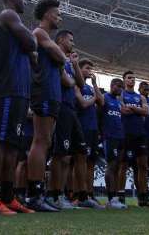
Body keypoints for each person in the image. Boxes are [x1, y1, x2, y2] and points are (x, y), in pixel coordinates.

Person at [0, 0, 36, 215]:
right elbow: (32, 44)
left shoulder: (14, 21)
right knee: (0, 141)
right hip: (8, 89)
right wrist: (29, 46)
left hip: (20, 91)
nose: (26, 1)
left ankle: (7, 196)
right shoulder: (8, 14)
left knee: (12, 145)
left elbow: (32, 55)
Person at [26, 0, 66, 212]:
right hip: (43, 92)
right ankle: (34, 194)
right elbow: (61, 58)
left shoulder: (45, 36)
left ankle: (37, 192)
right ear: (48, 14)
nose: (60, 17)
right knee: (40, 140)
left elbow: (61, 61)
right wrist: (61, 57)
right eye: (57, 13)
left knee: (45, 141)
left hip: (51, 93)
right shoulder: (39, 33)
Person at [47, 31, 85, 210]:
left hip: (70, 109)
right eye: (70, 40)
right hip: (60, 106)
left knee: (68, 155)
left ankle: (59, 194)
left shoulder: (69, 62)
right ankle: (55, 195)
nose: (73, 43)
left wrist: (76, 64)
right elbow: (68, 83)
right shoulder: (57, 56)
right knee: (59, 154)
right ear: (61, 40)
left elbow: (80, 84)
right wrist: (71, 79)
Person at [117, 71, 149, 207]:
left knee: (143, 165)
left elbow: (146, 112)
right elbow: (123, 110)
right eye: (129, 78)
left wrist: (131, 107)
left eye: (133, 78)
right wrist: (136, 109)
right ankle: (120, 196)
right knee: (123, 165)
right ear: (124, 80)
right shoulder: (121, 95)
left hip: (140, 134)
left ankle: (143, 197)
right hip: (125, 133)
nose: (131, 80)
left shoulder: (141, 97)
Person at [75, 59, 104, 209]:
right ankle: (76, 194)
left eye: (91, 69)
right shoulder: (76, 84)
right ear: (79, 69)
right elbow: (84, 104)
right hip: (81, 128)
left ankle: (90, 194)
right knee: (79, 161)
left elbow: (102, 102)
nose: (90, 71)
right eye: (87, 68)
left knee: (91, 162)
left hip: (93, 129)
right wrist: (95, 98)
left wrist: (94, 85)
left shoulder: (90, 87)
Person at [101, 78, 127, 209]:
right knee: (111, 166)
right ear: (112, 85)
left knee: (117, 167)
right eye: (119, 86)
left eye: (122, 87)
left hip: (120, 136)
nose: (121, 89)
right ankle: (111, 199)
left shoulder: (118, 102)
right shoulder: (104, 97)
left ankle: (115, 197)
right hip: (109, 136)